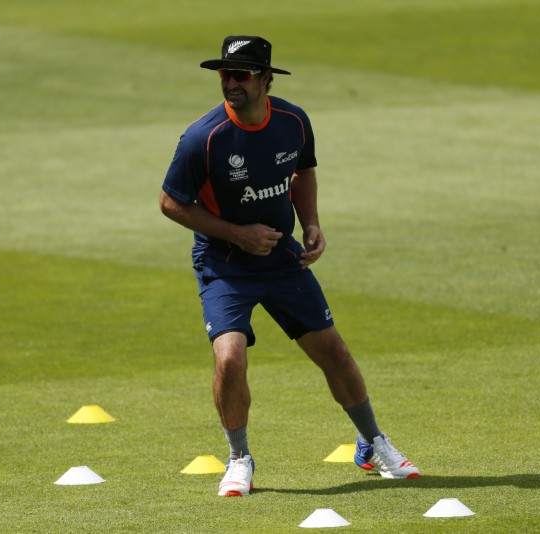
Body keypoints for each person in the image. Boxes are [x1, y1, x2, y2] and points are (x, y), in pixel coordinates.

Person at [159, 35, 420, 497]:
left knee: (334, 353)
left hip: (282, 260)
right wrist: (239, 234)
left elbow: (303, 170)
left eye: (239, 74)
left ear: (264, 78)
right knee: (230, 358)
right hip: (225, 265)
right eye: (224, 74)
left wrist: (312, 223)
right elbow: (170, 203)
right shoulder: (204, 136)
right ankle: (239, 457)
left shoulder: (294, 121)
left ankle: (373, 442)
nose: (230, 83)